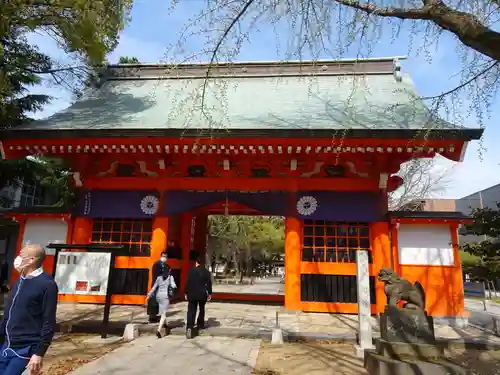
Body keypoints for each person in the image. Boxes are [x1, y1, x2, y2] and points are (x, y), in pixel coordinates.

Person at [0, 244, 58, 375]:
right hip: (5, 344)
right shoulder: (20, 280)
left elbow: (48, 321)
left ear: (32, 260)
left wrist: (39, 353)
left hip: (25, 347)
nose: (18, 258)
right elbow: (8, 314)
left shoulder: (47, 284)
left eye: (21, 255)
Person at [184, 257, 212, 339]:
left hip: (192, 294)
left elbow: (188, 282)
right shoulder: (207, 272)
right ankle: (200, 324)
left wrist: (186, 292)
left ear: (196, 262)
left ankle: (190, 326)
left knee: (191, 310)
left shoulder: (192, 271)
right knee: (201, 309)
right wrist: (209, 293)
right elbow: (209, 284)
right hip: (202, 294)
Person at [147, 266, 177, 338]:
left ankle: (165, 324)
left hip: (158, 296)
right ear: (169, 270)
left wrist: (149, 295)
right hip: (165, 297)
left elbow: (154, 287)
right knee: (163, 314)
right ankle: (159, 330)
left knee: (163, 311)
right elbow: (174, 285)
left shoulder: (159, 278)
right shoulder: (170, 277)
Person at [148, 251, 170, 323]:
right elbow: (157, 275)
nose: (164, 258)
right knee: (153, 301)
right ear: (161, 256)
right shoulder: (156, 264)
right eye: (163, 256)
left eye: (166, 257)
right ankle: (152, 317)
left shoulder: (166, 265)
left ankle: (158, 316)